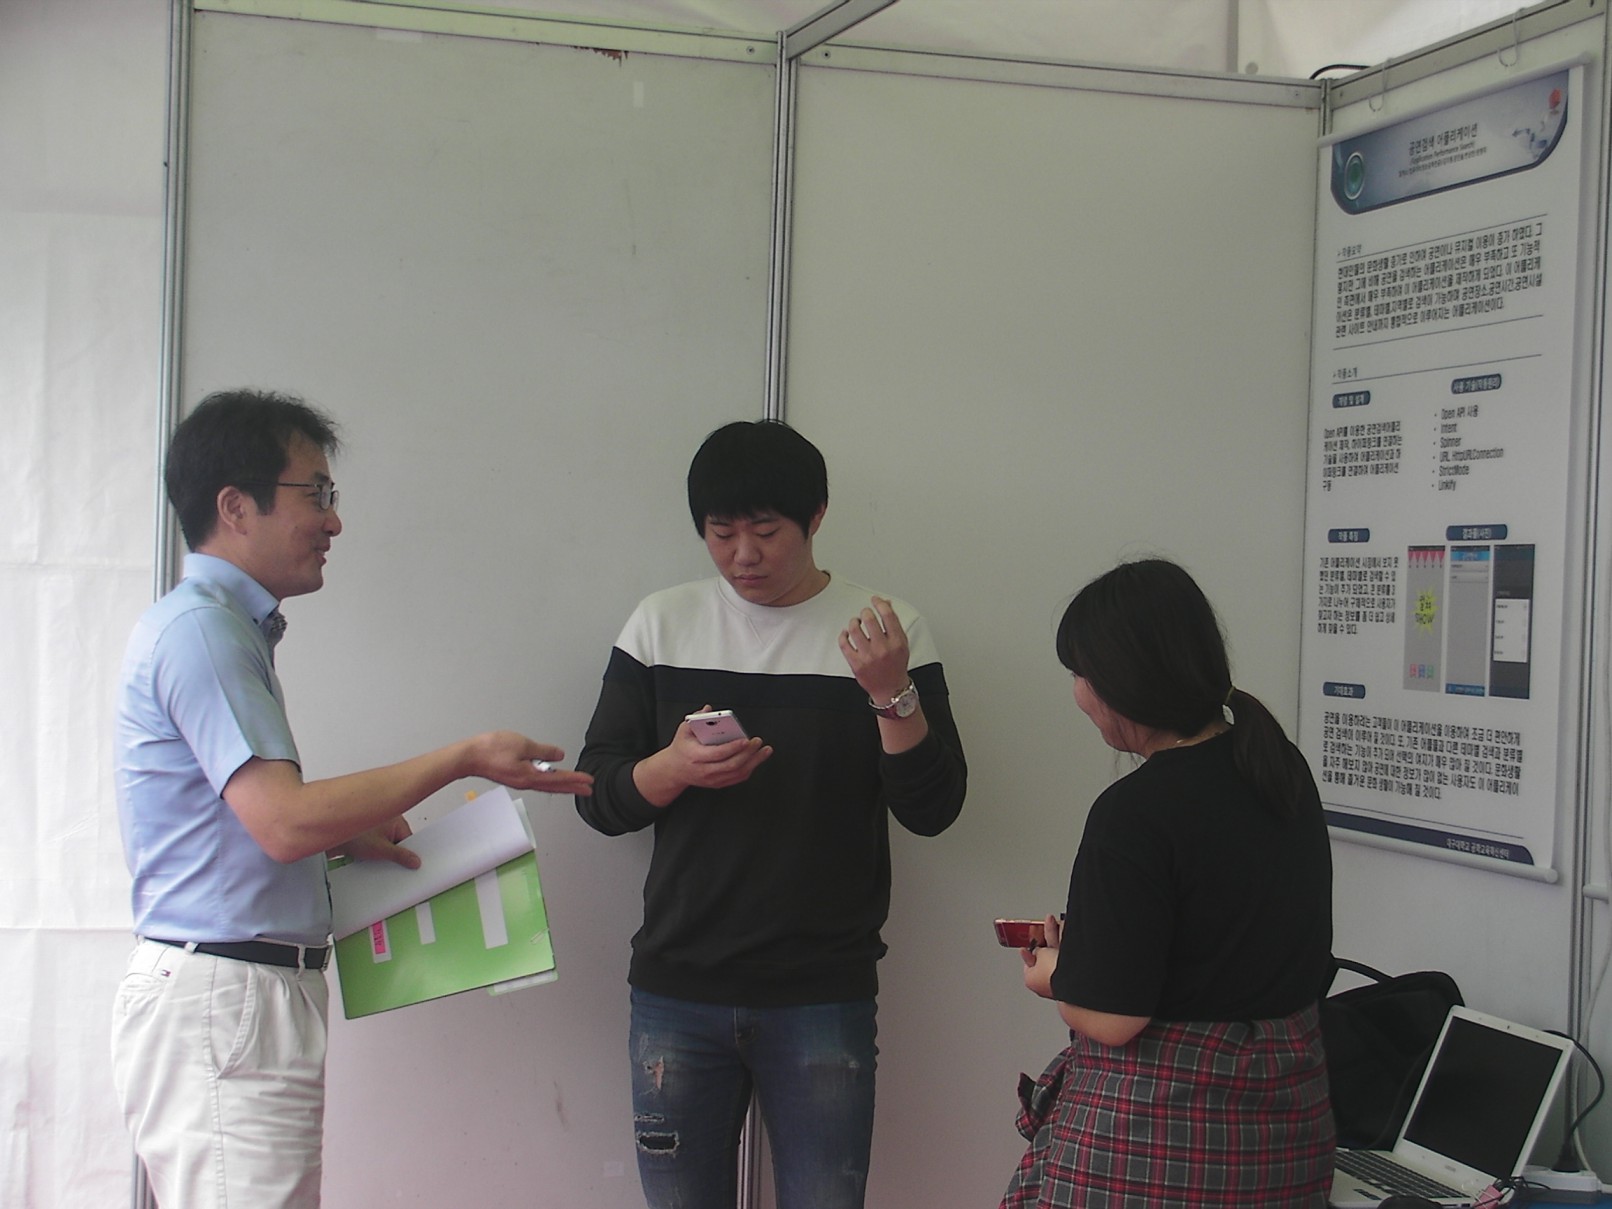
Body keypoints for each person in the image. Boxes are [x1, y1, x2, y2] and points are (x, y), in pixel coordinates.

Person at [110, 388, 593, 1209]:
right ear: (235, 506)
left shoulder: (217, 629)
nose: (333, 521)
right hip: (228, 997)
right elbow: (283, 819)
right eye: (316, 493)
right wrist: (464, 757)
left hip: (242, 995)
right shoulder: (203, 633)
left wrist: (341, 836)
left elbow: (243, 820)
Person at [575, 419, 967, 1209]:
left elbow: (933, 808)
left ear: (815, 517)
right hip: (678, 987)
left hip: (821, 989)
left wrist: (890, 693)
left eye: (766, 530)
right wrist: (671, 769)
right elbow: (598, 796)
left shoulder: (884, 632)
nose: (743, 555)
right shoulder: (661, 623)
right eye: (721, 533)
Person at [1001, 558, 1334, 1209]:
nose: (1078, 694)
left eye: (1080, 673)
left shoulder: (1134, 811)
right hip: (1284, 1136)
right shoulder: (1279, 770)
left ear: (1121, 680)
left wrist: (1058, 975)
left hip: (1166, 1144)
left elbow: (1114, 1018)